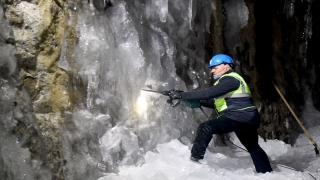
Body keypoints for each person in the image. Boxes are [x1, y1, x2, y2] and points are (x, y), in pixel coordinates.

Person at [169, 54, 273, 173]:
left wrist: (182, 95)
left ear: (227, 67)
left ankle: (194, 160)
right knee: (253, 147)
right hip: (248, 118)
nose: (212, 70)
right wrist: (197, 101)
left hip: (238, 117)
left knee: (206, 127)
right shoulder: (232, 81)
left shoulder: (230, 79)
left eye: (215, 67)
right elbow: (216, 103)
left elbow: (209, 93)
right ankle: (266, 173)